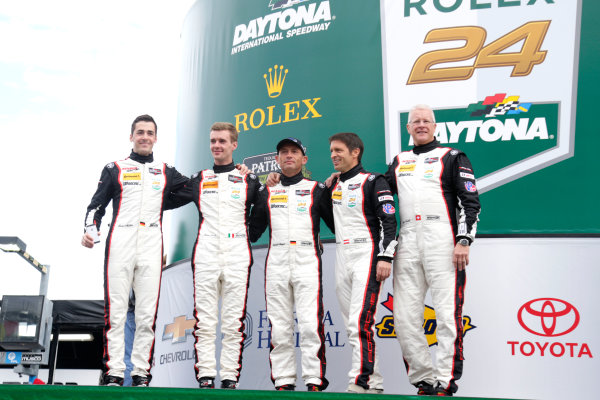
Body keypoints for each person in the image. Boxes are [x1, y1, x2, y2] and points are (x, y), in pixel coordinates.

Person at [81, 114, 189, 387]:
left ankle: (141, 372)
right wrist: (90, 230)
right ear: (131, 137)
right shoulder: (114, 168)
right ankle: (114, 371)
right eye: (139, 132)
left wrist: (237, 174)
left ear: (155, 138)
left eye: (149, 133)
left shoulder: (166, 171)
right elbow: (96, 205)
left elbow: (194, 189)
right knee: (116, 311)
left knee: (146, 313)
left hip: (152, 242)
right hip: (121, 239)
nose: (144, 137)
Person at [386, 104, 481, 396]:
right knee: (402, 317)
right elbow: (378, 196)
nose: (421, 125)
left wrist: (464, 239)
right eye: (416, 121)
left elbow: (471, 201)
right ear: (408, 128)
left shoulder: (452, 157)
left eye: (426, 120)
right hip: (408, 238)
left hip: (443, 237)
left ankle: (446, 380)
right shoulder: (399, 160)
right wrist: (337, 181)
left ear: (435, 126)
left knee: (447, 313)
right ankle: (424, 380)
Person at [168, 122, 261, 389]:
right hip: (206, 252)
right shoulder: (200, 178)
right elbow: (169, 198)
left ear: (234, 145)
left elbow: (264, 209)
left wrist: (249, 234)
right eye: (213, 141)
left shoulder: (249, 179)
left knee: (233, 321)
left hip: (237, 253)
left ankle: (230, 377)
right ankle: (206, 376)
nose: (216, 146)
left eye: (222, 141)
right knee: (205, 320)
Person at [249, 137, 334, 392]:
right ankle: (284, 380)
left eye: (294, 152)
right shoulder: (267, 190)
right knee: (279, 325)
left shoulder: (317, 189)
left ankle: (314, 380)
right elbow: (252, 231)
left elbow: (337, 225)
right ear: (276, 159)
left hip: (307, 259)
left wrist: (335, 184)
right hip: (276, 260)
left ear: (303, 159)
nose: (288, 155)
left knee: (310, 324)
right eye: (283, 152)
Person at [328, 132, 397, 394]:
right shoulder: (333, 185)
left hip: (366, 253)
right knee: (352, 323)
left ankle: (361, 380)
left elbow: (389, 222)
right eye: (331, 150)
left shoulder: (374, 181)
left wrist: (385, 257)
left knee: (360, 320)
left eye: (338, 150)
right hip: (341, 255)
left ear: (355, 152)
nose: (333, 155)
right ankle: (374, 381)